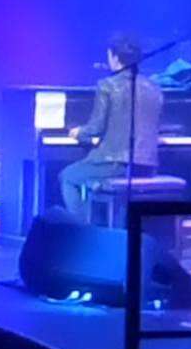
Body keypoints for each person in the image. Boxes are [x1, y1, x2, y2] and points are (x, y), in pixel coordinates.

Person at [59, 35, 162, 219]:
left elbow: (96, 127)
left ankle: (86, 232)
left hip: (115, 163)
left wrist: (78, 132)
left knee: (68, 176)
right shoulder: (154, 87)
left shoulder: (108, 86)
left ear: (115, 58)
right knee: (90, 179)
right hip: (147, 165)